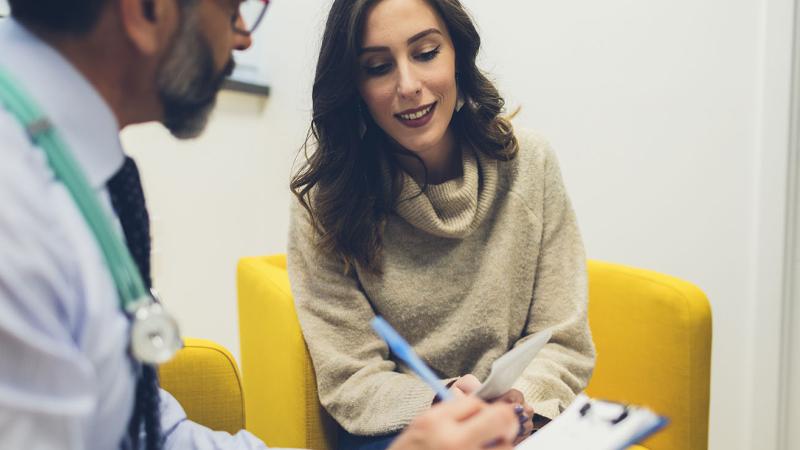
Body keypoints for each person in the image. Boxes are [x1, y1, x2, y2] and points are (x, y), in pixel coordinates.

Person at [0, 0, 521, 449]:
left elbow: (148, 433)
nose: (244, 38)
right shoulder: (18, 214)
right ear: (145, 10)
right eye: (232, 8)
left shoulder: (73, 168)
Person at [288, 0, 597, 449]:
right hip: (402, 428)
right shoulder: (326, 201)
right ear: (354, 85)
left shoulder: (531, 164)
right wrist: (438, 403)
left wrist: (518, 401)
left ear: (457, 55)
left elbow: (564, 338)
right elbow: (352, 376)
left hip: (525, 420)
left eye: (426, 53)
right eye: (377, 67)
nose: (408, 86)